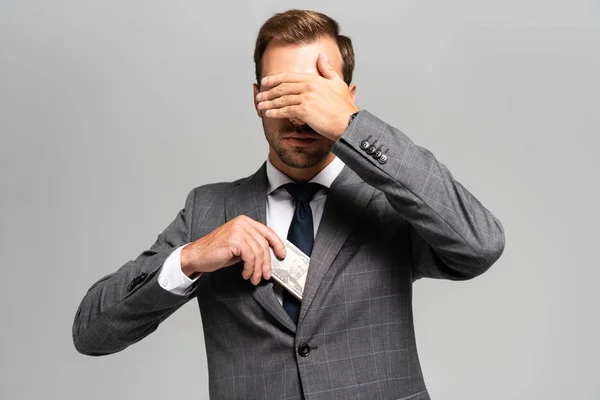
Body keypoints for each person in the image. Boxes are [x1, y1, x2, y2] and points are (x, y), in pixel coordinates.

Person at [73, 9, 505, 400]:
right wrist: (188, 259)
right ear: (257, 98)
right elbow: (92, 333)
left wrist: (353, 126)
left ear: (346, 97)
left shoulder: (389, 202)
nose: (299, 116)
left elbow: (481, 244)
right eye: (282, 93)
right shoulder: (209, 209)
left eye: (314, 93)